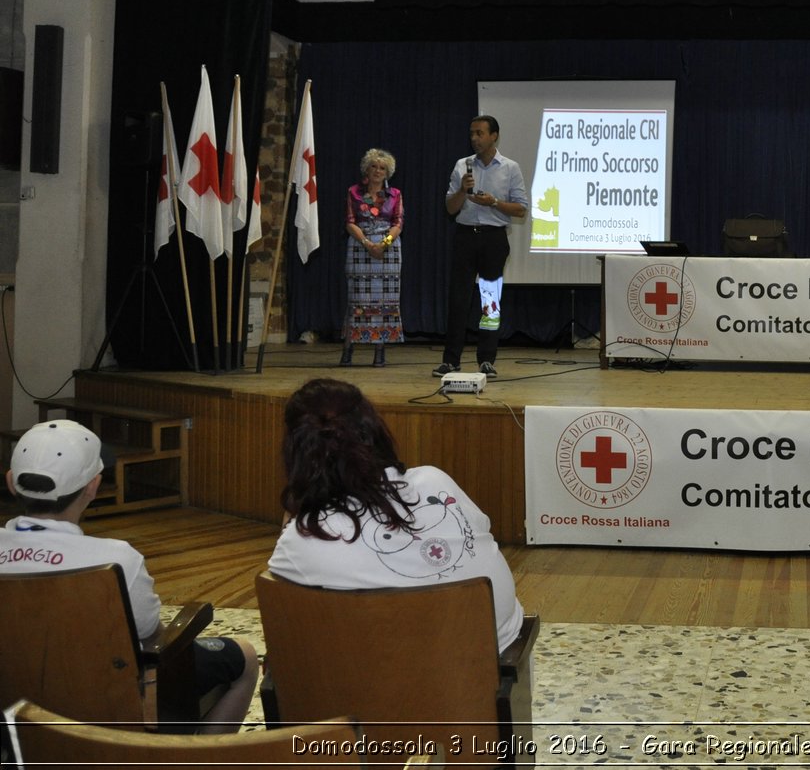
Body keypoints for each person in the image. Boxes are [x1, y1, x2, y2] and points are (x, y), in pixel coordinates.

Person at [1, 420, 259, 733]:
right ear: (93, 487)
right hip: (105, 709)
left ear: (12, 482)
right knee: (243, 657)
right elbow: (153, 639)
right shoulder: (117, 558)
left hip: (11, 702)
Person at [267, 378, 527, 654]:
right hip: (484, 680)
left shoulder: (302, 539)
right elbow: (481, 533)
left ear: (295, 453)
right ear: (375, 432)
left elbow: (287, 618)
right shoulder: (436, 483)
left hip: (367, 687)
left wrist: (292, 522)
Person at [436, 114, 527, 378]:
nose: (474, 138)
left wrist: (495, 203)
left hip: (493, 239)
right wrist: (463, 191)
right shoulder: (461, 165)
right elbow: (450, 209)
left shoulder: (510, 168)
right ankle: (450, 361)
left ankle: (486, 359)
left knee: (490, 301)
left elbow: (521, 209)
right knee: (458, 301)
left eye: (480, 133)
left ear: (494, 136)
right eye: (472, 133)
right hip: (464, 236)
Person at [341, 148, 404, 367]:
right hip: (360, 247)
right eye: (374, 166)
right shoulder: (354, 192)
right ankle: (348, 350)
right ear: (366, 169)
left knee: (385, 301)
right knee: (356, 300)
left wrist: (383, 244)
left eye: (382, 167)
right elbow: (350, 222)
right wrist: (368, 244)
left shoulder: (395, 194)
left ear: (388, 172)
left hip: (388, 250)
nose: (378, 171)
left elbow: (398, 223)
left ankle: (380, 351)